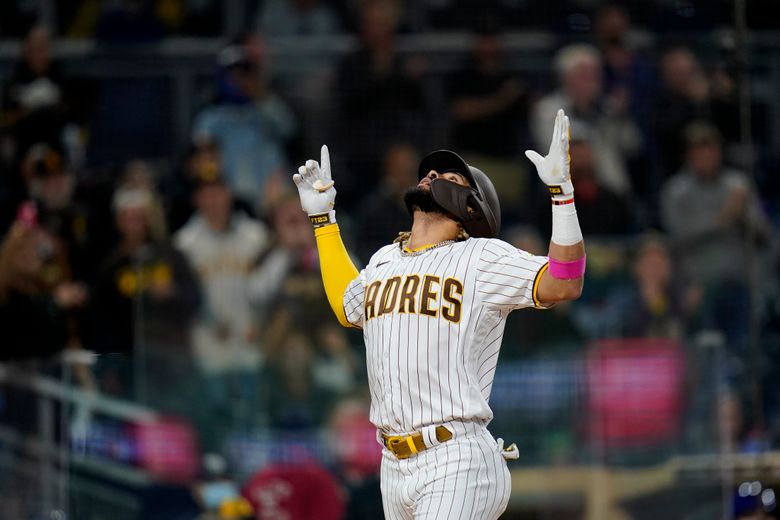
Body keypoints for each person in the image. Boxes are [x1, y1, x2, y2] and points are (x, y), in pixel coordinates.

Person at [292, 109, 585, 518]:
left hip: (456, 455)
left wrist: (562, 195)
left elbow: (564, 282)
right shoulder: (383, 260)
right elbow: (348, 306)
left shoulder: (482, 256)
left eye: (449, 177)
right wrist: (324, 222)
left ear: (471, 207)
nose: (430, 176)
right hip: (392, 463)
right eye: (429, 173)